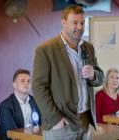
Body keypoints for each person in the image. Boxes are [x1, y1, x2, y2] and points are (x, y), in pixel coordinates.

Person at [32, 5, 104, 140]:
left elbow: (100, 79)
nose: (80, 27)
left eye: (82, 22)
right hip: (61, 124)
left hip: (85, 120)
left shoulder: (88, 47)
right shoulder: (45, 50)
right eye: (75, 23)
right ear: (63, 23)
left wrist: (93, 74)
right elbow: (38, 88)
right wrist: (56, 120)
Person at [0, 69, 42, 140]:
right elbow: (13, 134)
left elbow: (42, 125)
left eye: (28, 81)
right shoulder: (5, 106)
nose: (27, 83)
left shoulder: (36, 101)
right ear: (14, 85)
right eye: (22, 81)